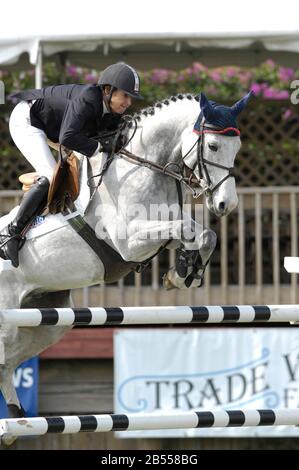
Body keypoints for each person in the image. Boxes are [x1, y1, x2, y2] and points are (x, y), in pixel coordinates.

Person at [0, 62, 143, 268]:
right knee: (50, 177)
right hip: (28, 120)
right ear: (108, 90)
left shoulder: (111, 111)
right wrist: (101, 146)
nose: (128, 102)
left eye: (131, 98)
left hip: (54, 128)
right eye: (126, 95)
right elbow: (68, 138)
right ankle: (10, 234)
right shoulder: (88, 99)